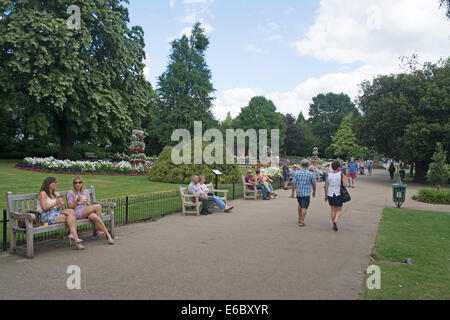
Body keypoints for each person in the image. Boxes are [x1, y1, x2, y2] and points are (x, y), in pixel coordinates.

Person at [37, 177, 85, 250]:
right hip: (46, 216)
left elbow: (55, 208)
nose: (57, 184)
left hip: (55, 213)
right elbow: (44, 208)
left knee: (71, 212)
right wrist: (56, 202)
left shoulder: (54, 194)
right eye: (55, 182)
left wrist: (59, 205)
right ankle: (76, 240)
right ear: (49, 183)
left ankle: (73, 235)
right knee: (71, 218)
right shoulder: (43, 193)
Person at [67, 177, 114, 245]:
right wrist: (77, 201)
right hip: (77, 212)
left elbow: (89, 205)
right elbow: (70, 207)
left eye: (79, 182)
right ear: (73, 184)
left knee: (95, 217)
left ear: (82, 183)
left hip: (86, 209)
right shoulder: (70, 192)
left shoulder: (85, 192)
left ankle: (108, 236)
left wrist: (87, 202)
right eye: (76, 183)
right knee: (98, 206)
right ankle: (98, 229)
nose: (78, 184)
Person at [292, 159, 317, 227]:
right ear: (308, 165)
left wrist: (292, 192)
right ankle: (301, 221)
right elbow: (314, 183)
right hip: (306, 193)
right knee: (304, 207)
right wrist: (314, 192)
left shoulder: (297, 173)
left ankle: (300, 217)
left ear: (301, 165)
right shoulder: (310, 173)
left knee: (300, 204)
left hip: (299, 192)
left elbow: (293, 183)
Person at [325, 161, 348, 232]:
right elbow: (345, 185)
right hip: (338, 193)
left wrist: (325, 195)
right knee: (339, 210)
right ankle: (335, 221)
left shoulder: (329, 175)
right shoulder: (341, 174)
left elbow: (326, 186)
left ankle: (333, 224)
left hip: (330, 193)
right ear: (338, 167)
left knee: (333, 209)